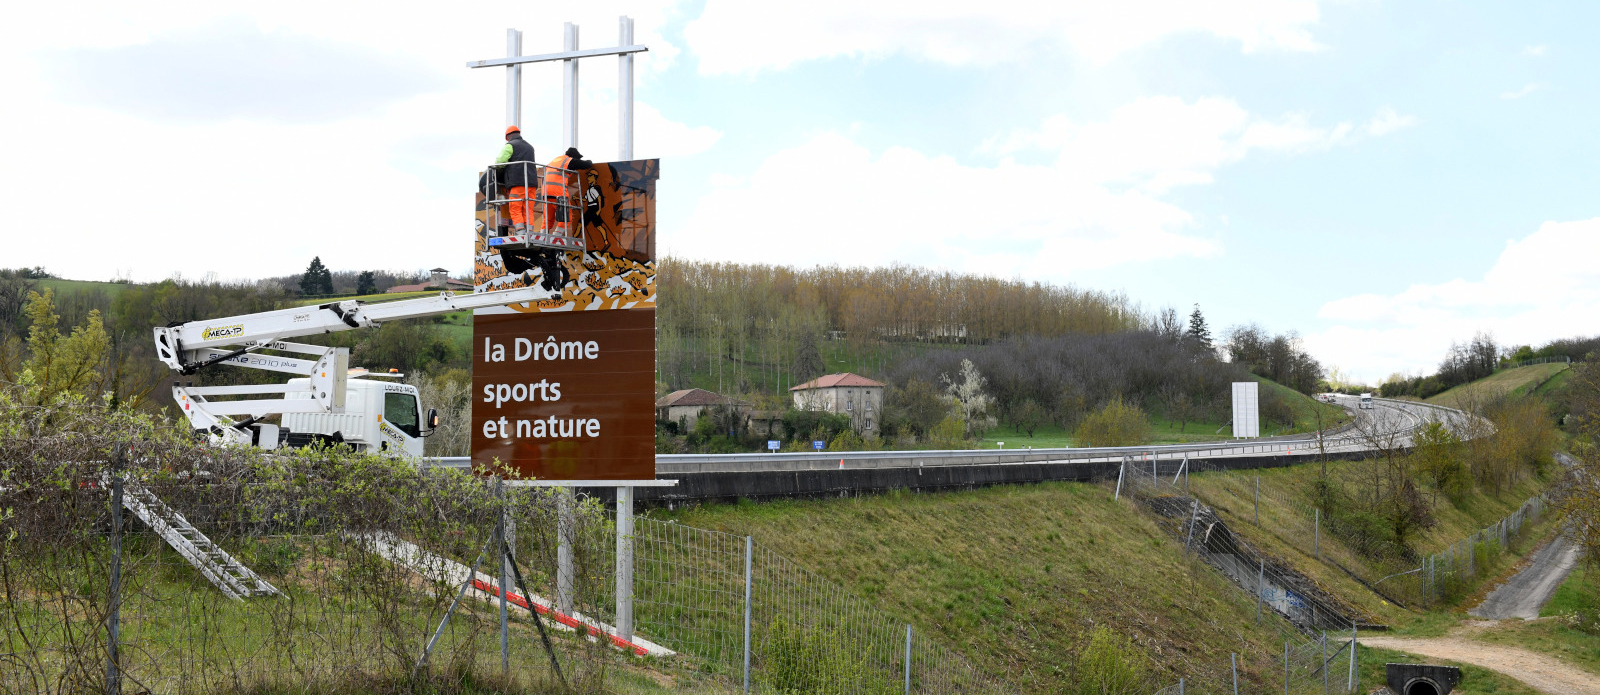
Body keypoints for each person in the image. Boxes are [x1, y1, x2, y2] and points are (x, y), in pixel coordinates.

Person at [541, 147, 592, 239]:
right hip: (558, 193)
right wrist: (589, 161)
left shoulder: (555, 160)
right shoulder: (568, 161)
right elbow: (586, 164)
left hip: (546, 193)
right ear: (574, 156)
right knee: (566, 217)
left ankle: (542, 236)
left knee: (548, 218)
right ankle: (556, 236)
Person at [496, 126, 537, 233]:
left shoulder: (510, 145)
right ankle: (530, 231)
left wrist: (497, 171)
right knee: (528, 209)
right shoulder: (530, 147)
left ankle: (520, 231)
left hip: (517, 183)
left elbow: (500, 161)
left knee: (515, 207)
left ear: (508, 136)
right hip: (531, 184)